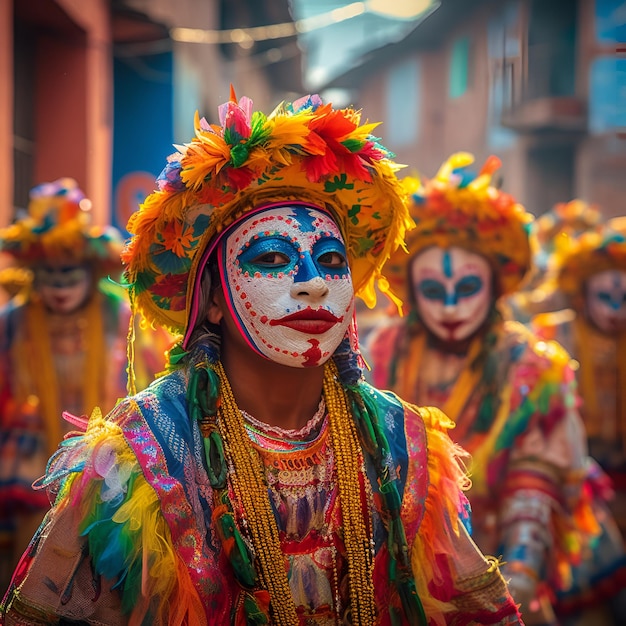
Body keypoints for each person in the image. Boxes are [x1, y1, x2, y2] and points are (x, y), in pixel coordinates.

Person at [0, 93, 522, 624]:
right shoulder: (141, 457)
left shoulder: (400, 444)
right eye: (271, 257)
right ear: (211, 301)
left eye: (331, 259)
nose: (313, 283)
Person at [368, 153, 626, 625]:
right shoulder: (381, 351)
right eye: (433, 291)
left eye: (466, 288)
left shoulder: (529, 366)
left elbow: (536, 479)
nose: (450, 307)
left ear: (494, 287)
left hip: (504, 556)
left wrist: (519, 570)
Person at [0, 178, 168, 594]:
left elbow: (153, 382)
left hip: (109, 462)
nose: (59, 288)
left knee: (102, 575)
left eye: (69, 274)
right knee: (30, 570)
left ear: (90, 270)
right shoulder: (12, 321)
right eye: (49, 275)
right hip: (31, 462)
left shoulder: (123, 316)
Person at [534, 217, 626, 540]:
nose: (615, 311)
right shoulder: (555, 333)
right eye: (605, 298)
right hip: (574, 472)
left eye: (624, 300)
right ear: (582, 295)